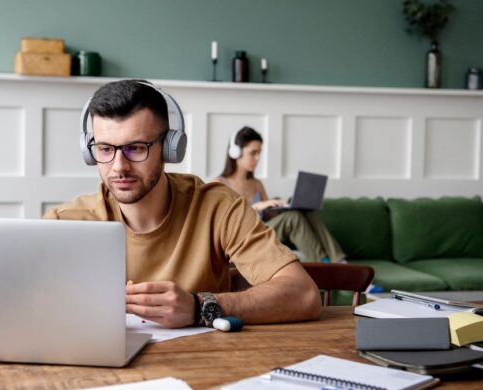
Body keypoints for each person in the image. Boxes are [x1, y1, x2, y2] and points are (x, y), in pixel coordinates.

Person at [44, 80, 321, 329]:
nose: (119, 167)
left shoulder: (219, 208)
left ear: (170, 149)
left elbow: (304, 294)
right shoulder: (64, 222)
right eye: (105, 149)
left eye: (136, 148)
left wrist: (200, 307)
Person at [214, 126, 345, 263]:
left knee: (305, 211)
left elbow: (269, 217)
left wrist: (281, 206)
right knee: (292, 218)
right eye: (253, 153)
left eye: (259, 152)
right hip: (243, 238)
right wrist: (257, 206)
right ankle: (326, 264)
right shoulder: (218, 183)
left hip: (264, 230)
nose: (258, 158)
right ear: (235, 152)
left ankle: (339, 261)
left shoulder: (256, 184)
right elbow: (221, 223)